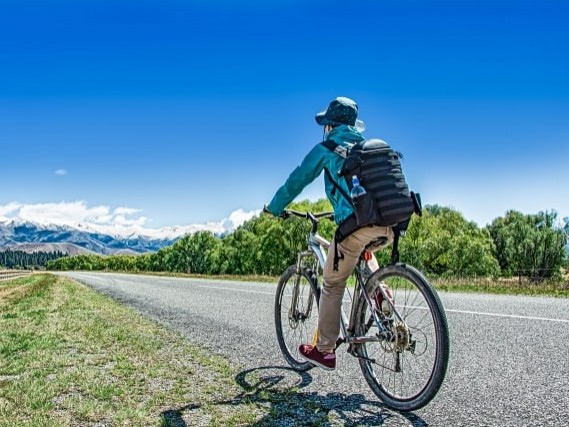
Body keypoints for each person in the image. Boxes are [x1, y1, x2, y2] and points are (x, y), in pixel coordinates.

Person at [265, 97, 393, 370]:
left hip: (356, 226)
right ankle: (381, 292)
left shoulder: (328, 148)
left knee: (333, 283)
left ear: (329, 126)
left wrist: (275, 207)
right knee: (361, 248)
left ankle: (324, 349)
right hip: (388, 224)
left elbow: (296, 180)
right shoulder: (366, 148)